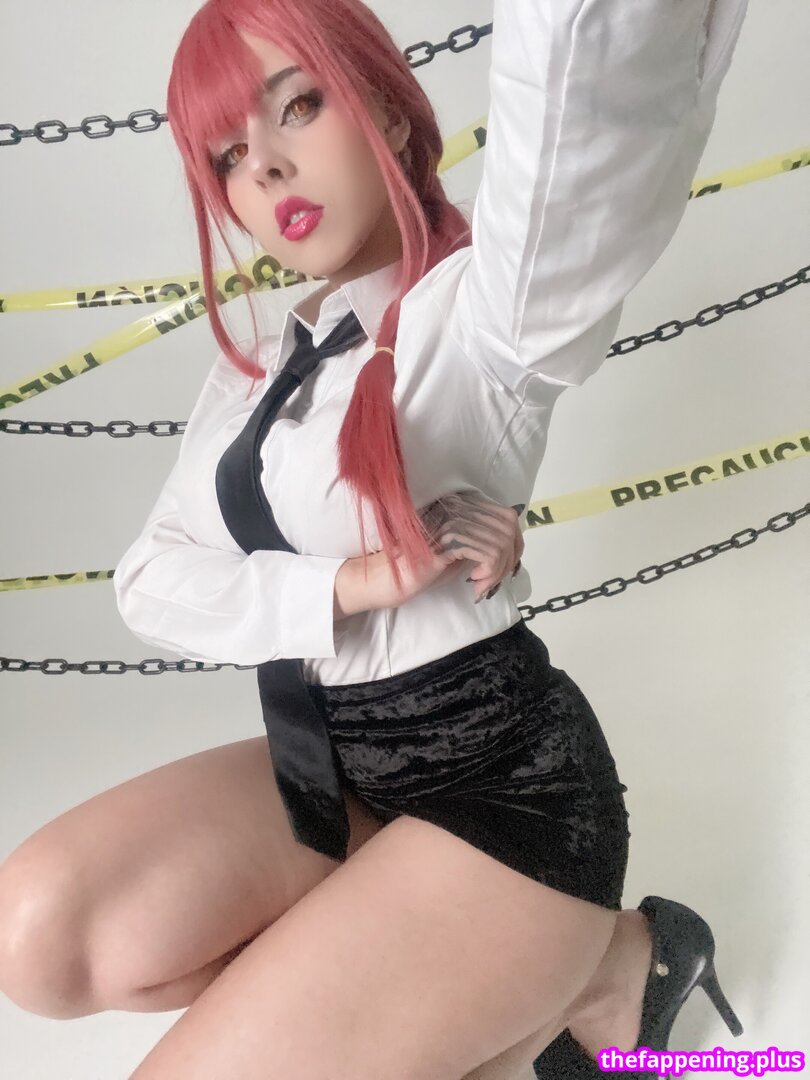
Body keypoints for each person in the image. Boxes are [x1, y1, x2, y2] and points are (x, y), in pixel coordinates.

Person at [0, 1, 750, 1077]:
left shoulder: (483, 314)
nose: (265, 168)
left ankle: (571, 964)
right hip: (341, 771)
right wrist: (346, 584)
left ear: (390, 114)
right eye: (228, 157)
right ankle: (557, 979)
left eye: (297, 106)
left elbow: (581, 126)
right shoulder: (257, 372)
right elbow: (151, 580)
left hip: (505, 796)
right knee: (36, 940)